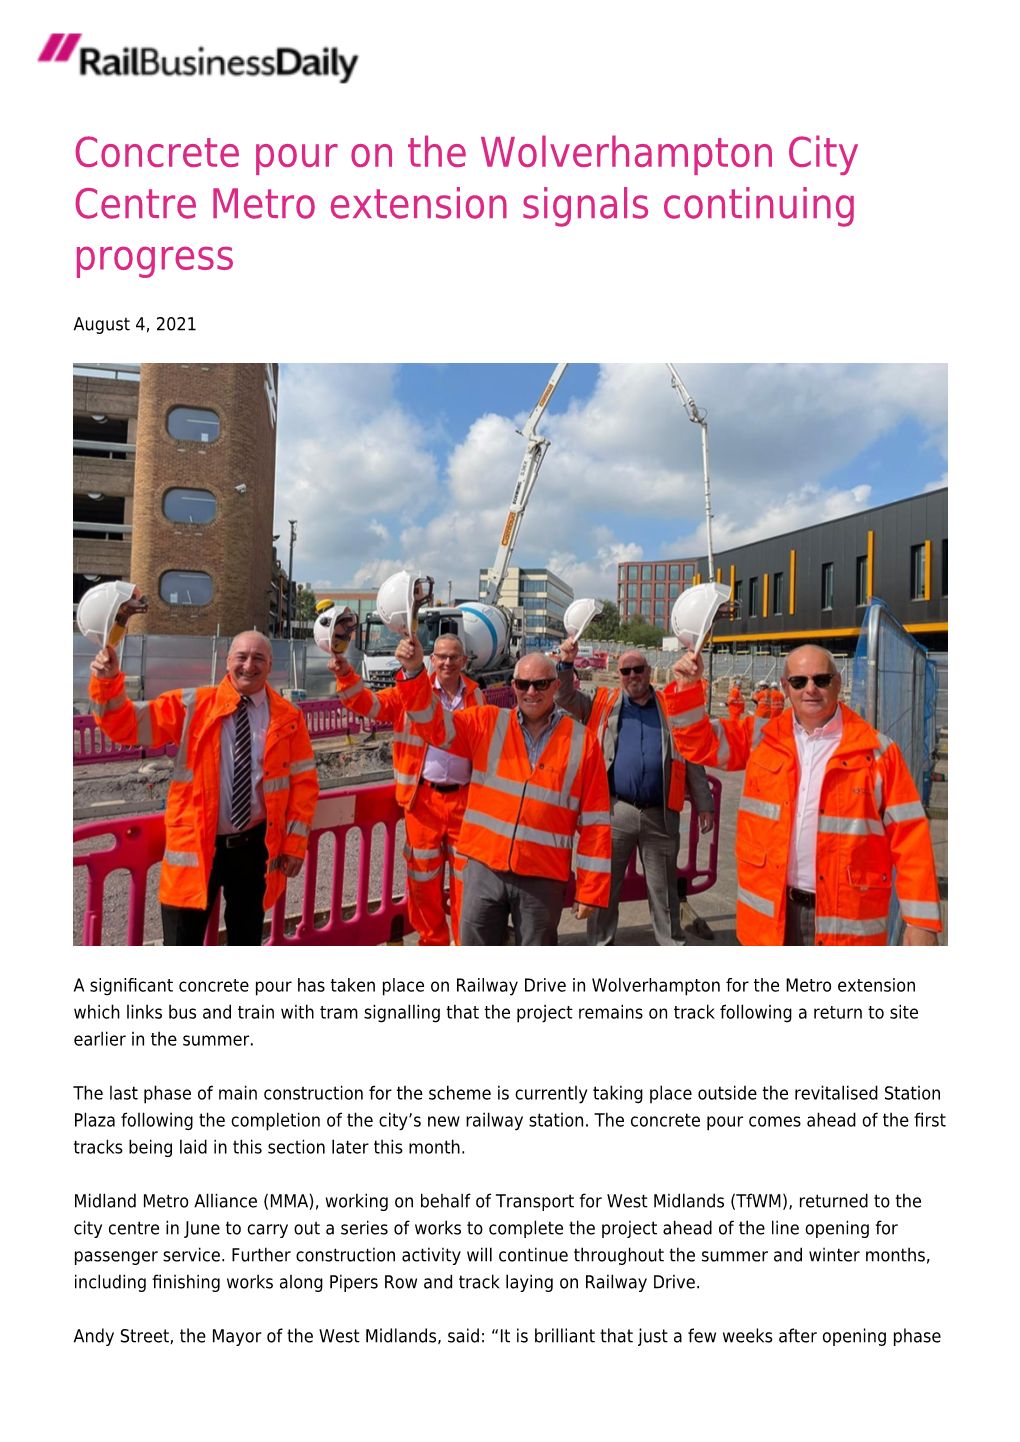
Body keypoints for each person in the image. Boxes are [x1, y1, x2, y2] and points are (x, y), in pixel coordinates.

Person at [669, 644, 941, 946]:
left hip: (844, 923)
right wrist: (687, 687)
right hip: (771, 917)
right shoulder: (762, 738)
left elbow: (911, 836)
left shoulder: (877, 752)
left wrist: (921, 921)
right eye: (799, 682)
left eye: (821, 680)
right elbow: (698, 743)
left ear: (837, 683)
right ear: (786, 687)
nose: (810, 689)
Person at [89, 631, 318, 946]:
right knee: (182, 945)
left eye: (258, 658)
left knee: (246, 942)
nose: (248, 665)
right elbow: (125, 725)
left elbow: (304, 785)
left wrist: (294, 845)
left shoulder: (289, 717)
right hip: (195, 848)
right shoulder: (192, 705)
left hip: (254, 850)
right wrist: (108, 682)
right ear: (227, 662)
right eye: (241, 656)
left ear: (270, 666)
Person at [393, 633, 612, 945]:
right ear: (514, 687)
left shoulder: (582, 741)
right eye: (523, 684)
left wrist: (591, 888)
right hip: (484, 868)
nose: (531, 691)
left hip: (542, 875)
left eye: (540, 684)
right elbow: (433, 725)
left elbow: (595, 822)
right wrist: (415, 673)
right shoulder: (487, 723)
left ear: (556, 686)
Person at [328, 634, 488, 945]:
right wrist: (345, 674)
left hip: (465, 800)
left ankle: (463, 944)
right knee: (422, 880)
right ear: (431, 660)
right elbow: (368, 705)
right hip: (423, 800)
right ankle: (433, 944)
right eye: (441, 656)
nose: (447, 662)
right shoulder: (410, 693)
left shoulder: (477, 696)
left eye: (454, 657)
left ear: (464, 661)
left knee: (466, 879)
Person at [556, 639, 714, 947]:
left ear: (649, 672)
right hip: (615, 812)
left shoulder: (670, 707)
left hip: (660, 814)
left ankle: (671, 945)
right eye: (626, 671)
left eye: (638, 669)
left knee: (664, 891)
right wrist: (565, 664)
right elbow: (564, 696)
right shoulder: (602, 702)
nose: (632, 676)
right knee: (604, 887)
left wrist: (704, 802)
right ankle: (601, 945)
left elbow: (691, 754)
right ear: (619, 674)